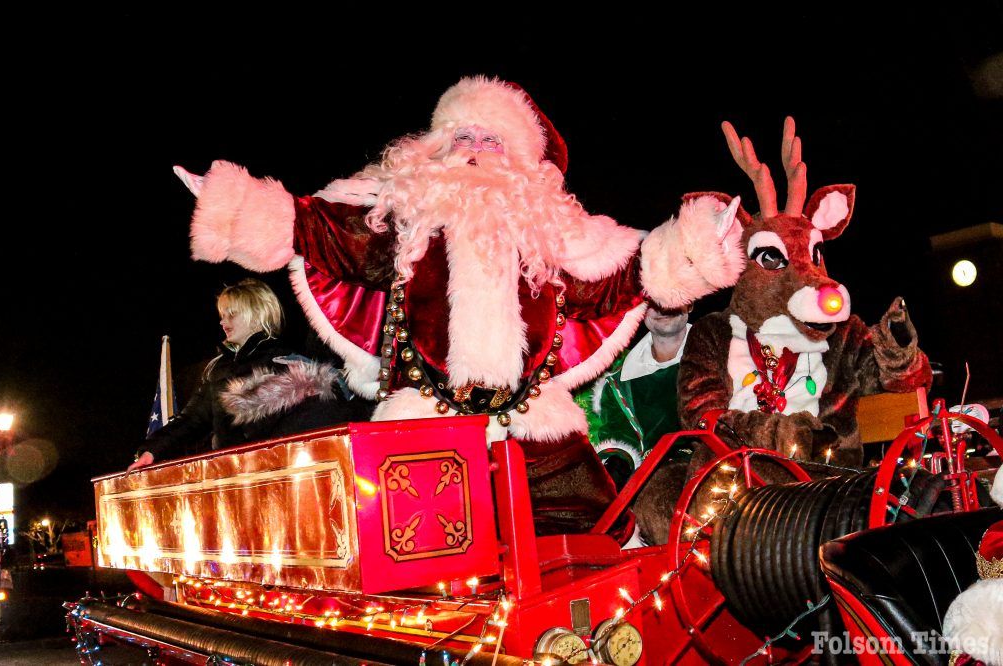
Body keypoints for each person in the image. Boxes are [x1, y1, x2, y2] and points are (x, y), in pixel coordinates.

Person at [173, 76, 745, 534]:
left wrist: (693, 245)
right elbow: (320, 231)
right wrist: (237, 206)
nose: (474, 151)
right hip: (423, 424)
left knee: (586, 537)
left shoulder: (554, 231)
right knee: (419, 559)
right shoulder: (402, 219)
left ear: (520, 159)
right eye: (462, 137)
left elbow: (624, 271)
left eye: (490, 140)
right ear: (436, 146)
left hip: (535, 428)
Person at [128, 279, 354, 471]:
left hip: (275, 477)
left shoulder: (288, 364)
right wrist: (152, 450)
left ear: (257, 314)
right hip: (231, 480)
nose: (222, 321)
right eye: (222, 314)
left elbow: (312, 427)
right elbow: (191, 421)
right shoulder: (219, 370)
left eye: (231, 314)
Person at [582, 301, 694, 491]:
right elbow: (621, 438)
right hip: (649, 488)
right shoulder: (619, 381)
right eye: (653, 302)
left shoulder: (722, 354)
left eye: (672, 296)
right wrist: (617, 467)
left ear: (691, 304)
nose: (664, 307)